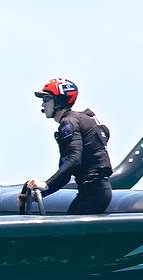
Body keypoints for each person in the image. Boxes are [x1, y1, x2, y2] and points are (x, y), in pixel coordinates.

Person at [24, 78, 113, 214]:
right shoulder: (79, 119)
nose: (43, 104)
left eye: (47, 99)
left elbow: (74, 160)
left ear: (59, 101)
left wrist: (46, 184)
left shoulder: (69, 122)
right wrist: (44, 190)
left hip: (93, 192)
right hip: (94, 192)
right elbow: (66, 174)